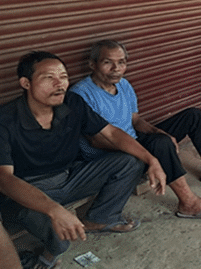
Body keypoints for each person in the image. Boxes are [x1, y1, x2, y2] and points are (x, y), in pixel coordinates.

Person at [0, 51, 167, 269]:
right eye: (49, 78)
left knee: (130, 161)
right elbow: (4, 180)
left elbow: (112, 134)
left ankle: (101, 218)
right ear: (26, 83)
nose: (59, 84)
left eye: (63, 76)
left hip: (69, 177)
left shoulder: (72, 102)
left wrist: (152, 160)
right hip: (27, 192)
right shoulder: (5, 120)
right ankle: (48, 257)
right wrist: (54, 209)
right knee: (63, 239)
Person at [70, 39, 201, 221]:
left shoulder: (123, 85)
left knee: (192, 116)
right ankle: (188, 202)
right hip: (107, 153)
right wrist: (151, 147)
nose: (116, 68)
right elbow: (97, 140)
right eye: (108, 62)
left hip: (132, 138)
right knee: (160, 145)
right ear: (92, 64)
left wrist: (159, 132)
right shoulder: (81, 94)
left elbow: (135, 120)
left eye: (121, 62)